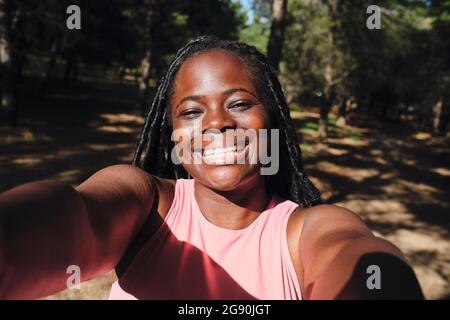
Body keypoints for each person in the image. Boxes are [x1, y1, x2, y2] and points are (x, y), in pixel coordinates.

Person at [0, 36, 424, 300]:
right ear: (172, 136)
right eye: (190, 111)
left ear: (271, 120)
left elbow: (361, 261)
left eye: (239, 104)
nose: (217, 122)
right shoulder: (146, 206)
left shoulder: (306, 232)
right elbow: (78, 218)